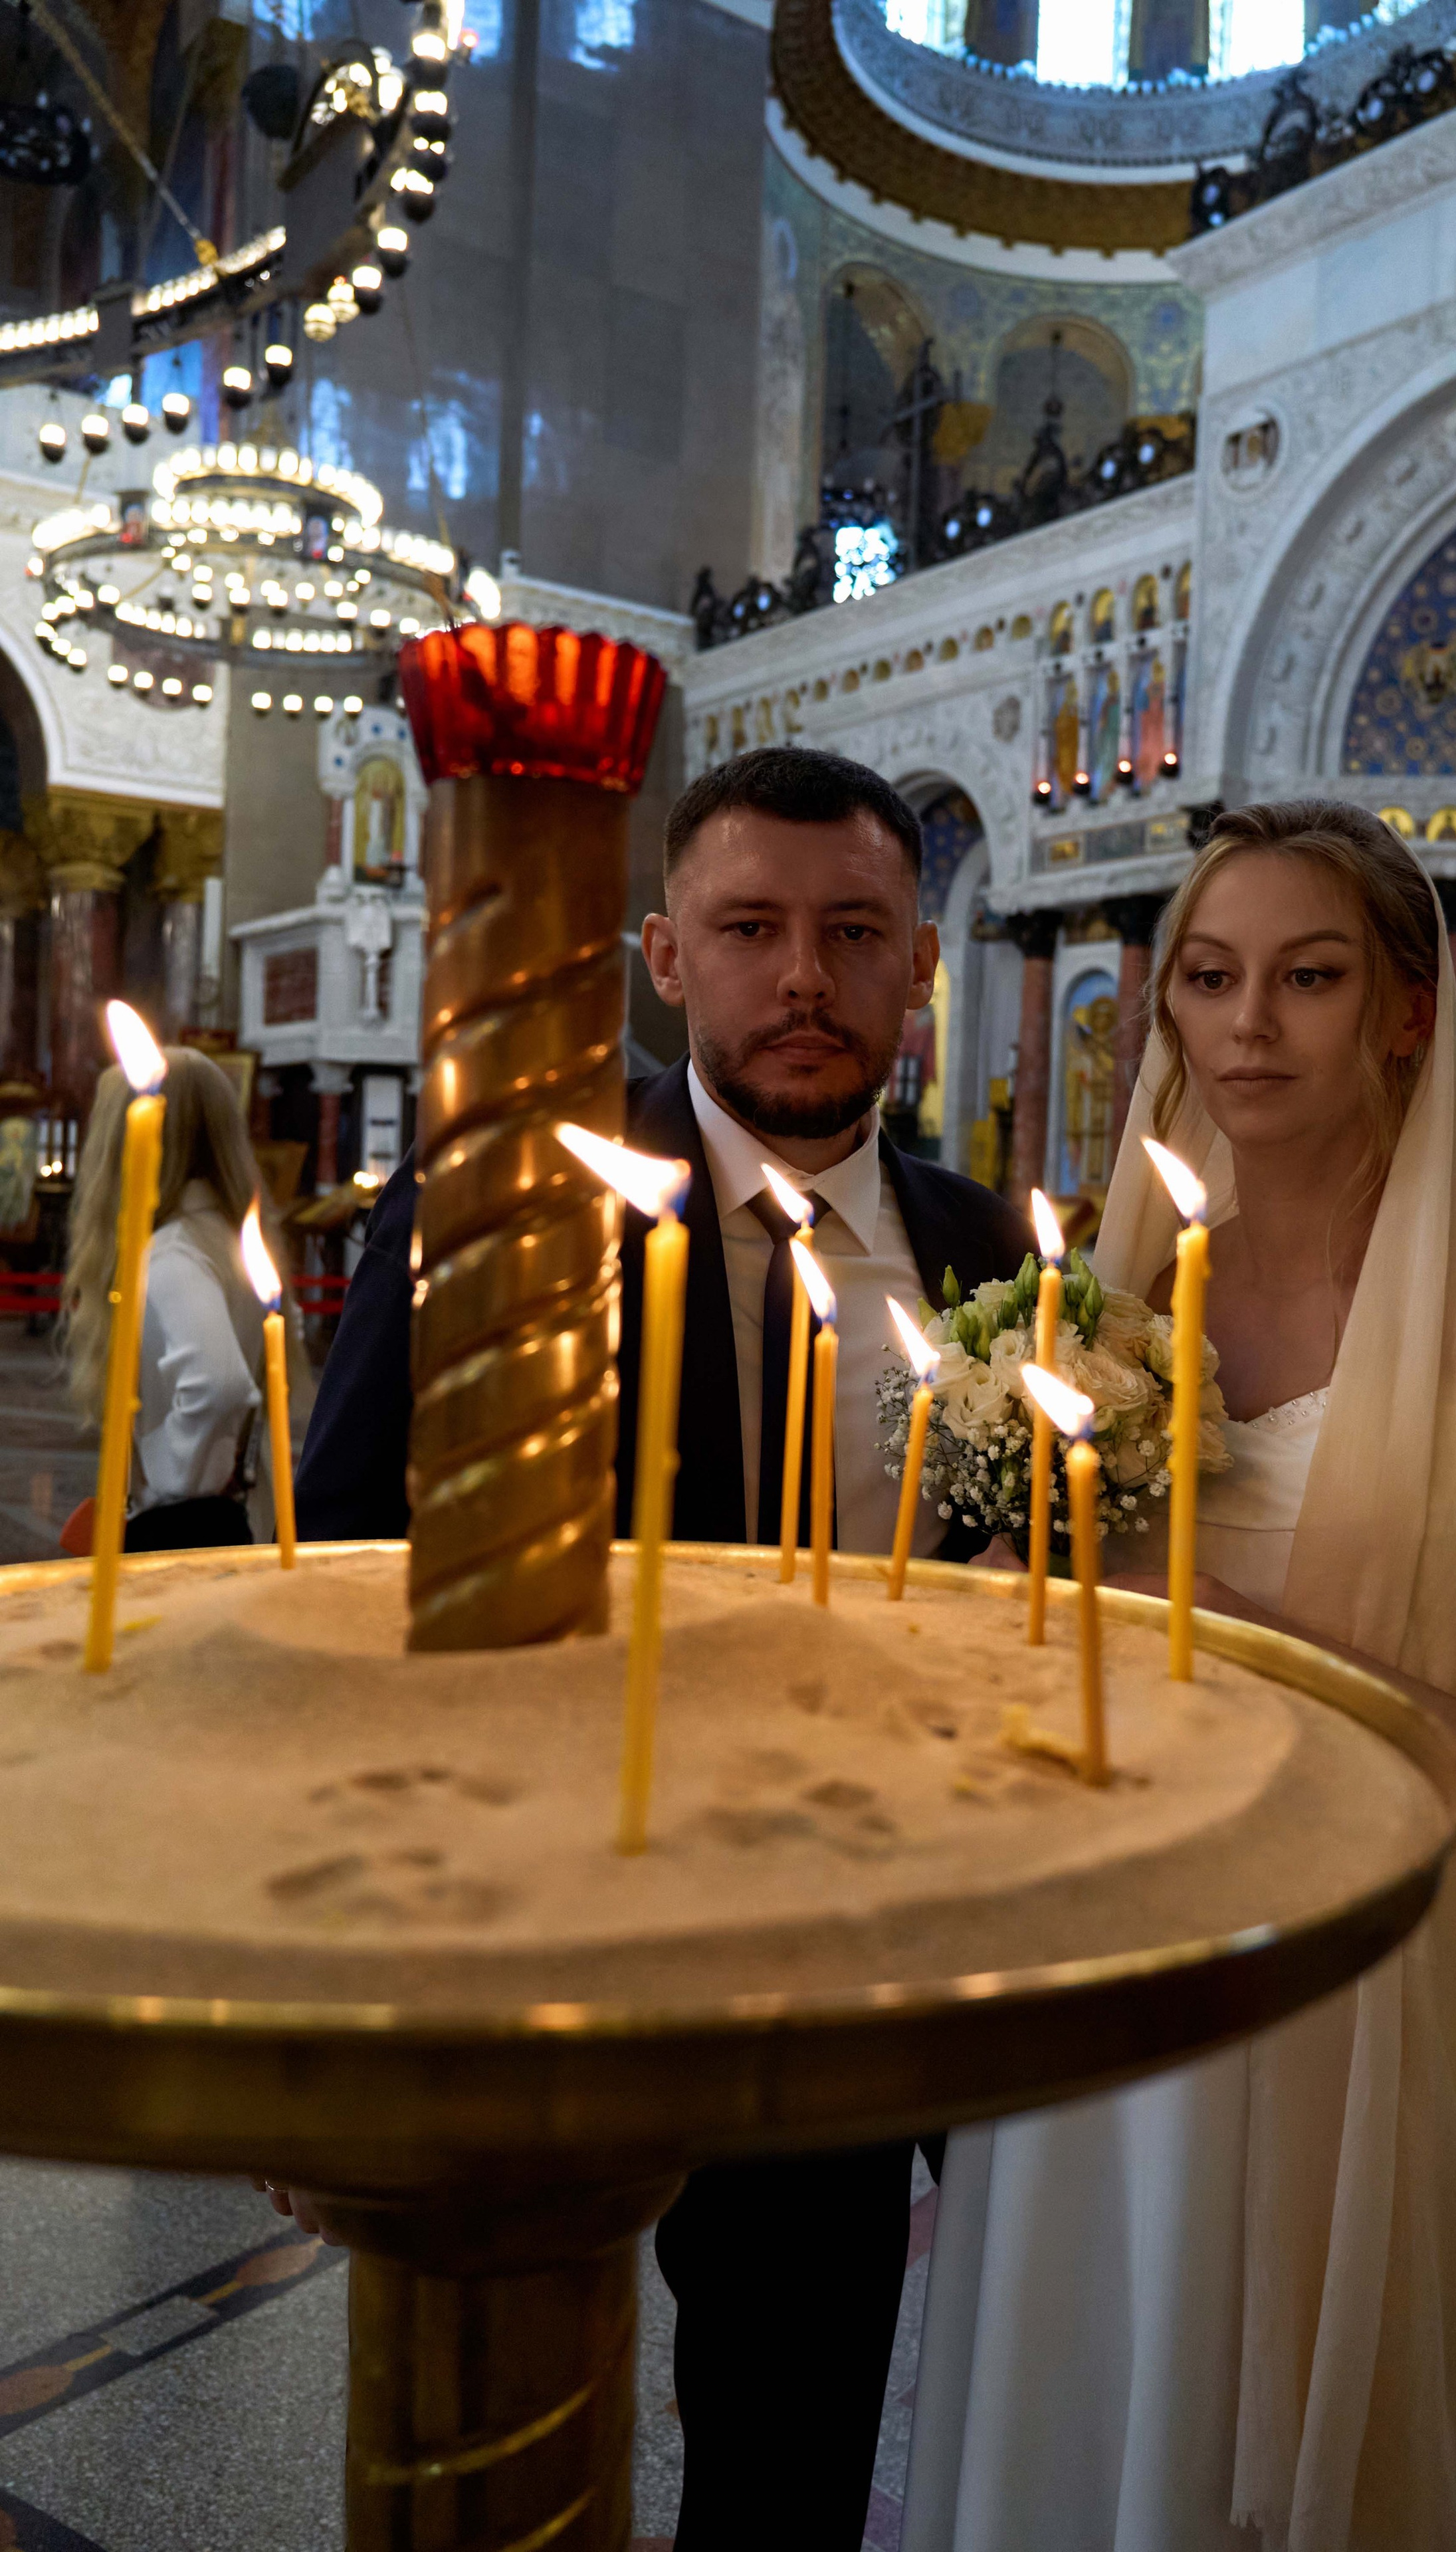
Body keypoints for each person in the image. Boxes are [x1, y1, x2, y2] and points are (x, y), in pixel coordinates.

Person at [904, 801, 1456, 2552]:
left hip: (1387, 2015)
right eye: (1209, 977)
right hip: (1111, 2005)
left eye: (1310, 976)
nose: (1249, 1021)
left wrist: (1322, 1688)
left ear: (1408, 1009)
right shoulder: (1105, 1308)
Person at [290, 745, 1033, 2551]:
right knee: (496, 2453)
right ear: (662, 956)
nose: (806, 978)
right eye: (753, 929)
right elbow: (337, 1567)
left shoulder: (984, 1250)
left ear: (923, 965)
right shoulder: (517, 1199)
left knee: (792, 2447)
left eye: (856, 932)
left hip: (867, 1964)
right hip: (558, 1926)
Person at [63, 1045, 293, 1552]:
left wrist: (169, 1470)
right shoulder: (227, 1238)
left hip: (178, 1529)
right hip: (235, 1519)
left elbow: (220, 1384)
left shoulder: (171, 1253)